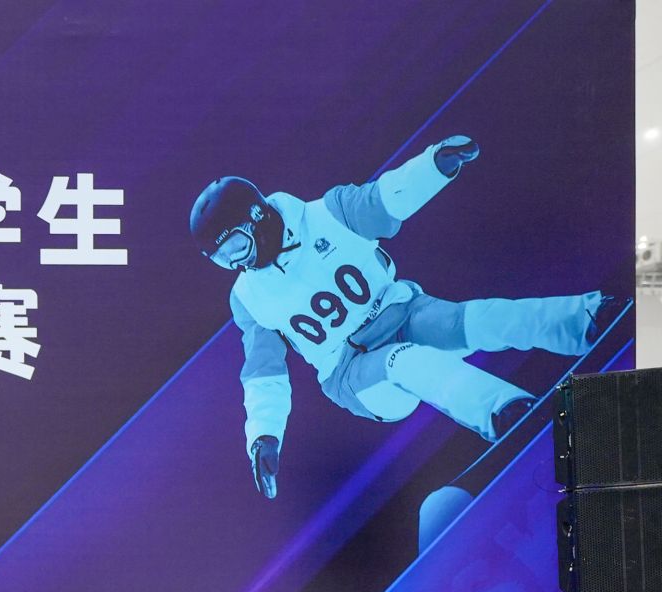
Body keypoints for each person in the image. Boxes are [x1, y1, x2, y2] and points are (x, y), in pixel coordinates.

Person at [190, 136, 610, 499]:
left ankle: (587, 317)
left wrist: (434, 165)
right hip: (353, 371)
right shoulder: (249, 297)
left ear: (258, 218)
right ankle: (504, 411)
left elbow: (386, 198)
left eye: (236, 247)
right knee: (403, 359)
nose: (238, 263)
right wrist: (263, 434)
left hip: (404, 313)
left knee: (478, 319)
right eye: (223, 259)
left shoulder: (327, 214)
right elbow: (264, 372)